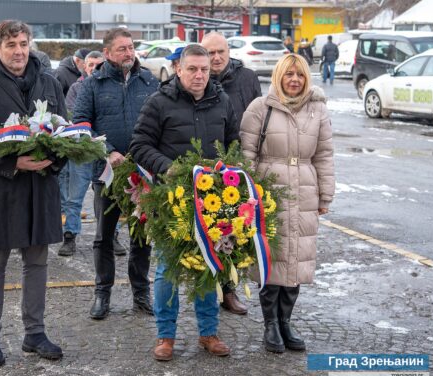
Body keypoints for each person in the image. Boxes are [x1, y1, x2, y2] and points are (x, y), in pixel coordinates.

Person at [0, 19, 67, 367]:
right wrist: (14, 164)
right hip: (1, 190)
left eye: (23, 43)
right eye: (11, 45)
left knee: (37, 261)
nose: (19, 51)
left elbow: (64, 132)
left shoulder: (50, 83)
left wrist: (51, 160)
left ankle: (34, 333)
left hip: (41, 186)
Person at [129, 44, 239, 361]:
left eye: (204, 69)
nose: (199, 75)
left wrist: (228, 169)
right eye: (192, 69)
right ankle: (166, 336)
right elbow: (140, 145)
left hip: (213, 200)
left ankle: (208, 333)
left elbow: (234, 143)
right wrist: (170, 168)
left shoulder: (222, 101)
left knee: (208, 265)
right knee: (167, 270)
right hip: (170, 200)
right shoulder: (159, 102)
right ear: (178, 69)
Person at [239, 54, 334, 353]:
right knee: (272, 258)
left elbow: (324, 155)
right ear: (279, 76)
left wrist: (326, 194)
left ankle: (286, 321)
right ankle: (270, 324)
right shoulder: (259, 108)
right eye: (289, 74)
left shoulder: (318, 110)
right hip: (268, 191)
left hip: (305, 189)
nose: (294, 80)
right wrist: (249, 195)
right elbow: (246, 155)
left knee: (297, 259)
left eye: (300, 75)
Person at [73, 27, 159, 320]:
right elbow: (81, 125)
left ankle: (141, 293)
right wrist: (107, 150)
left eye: (131, 47)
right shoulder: (92, 83)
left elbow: (162, 121)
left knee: (142, 234)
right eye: (121, 49)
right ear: (107, 53)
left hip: (143, 171)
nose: (129, 53)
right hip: (107, 172)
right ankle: (102, 293)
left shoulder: (148, 80)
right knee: (104, 236)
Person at [201, 31, 261, 315]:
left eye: (220, 52)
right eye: (210, 52)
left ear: (228, 51)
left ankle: (229, 291)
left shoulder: (247, 78)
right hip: (203, 166)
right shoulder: (198, 76)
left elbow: (260, 117)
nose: (215, 58)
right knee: (205, 229)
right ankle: (203, 290)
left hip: (238, 164)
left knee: (233, 231)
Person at [58, 50, 104, 257]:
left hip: (104, 151)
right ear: (84, 66)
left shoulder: (111, 87)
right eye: (91, 64)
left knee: (107, 197)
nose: (94, 67)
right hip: (81, 151)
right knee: (74, 198)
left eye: (98, 64)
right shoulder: (76, 89)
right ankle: (70, 236)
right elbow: (71, 117)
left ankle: (110, 236)